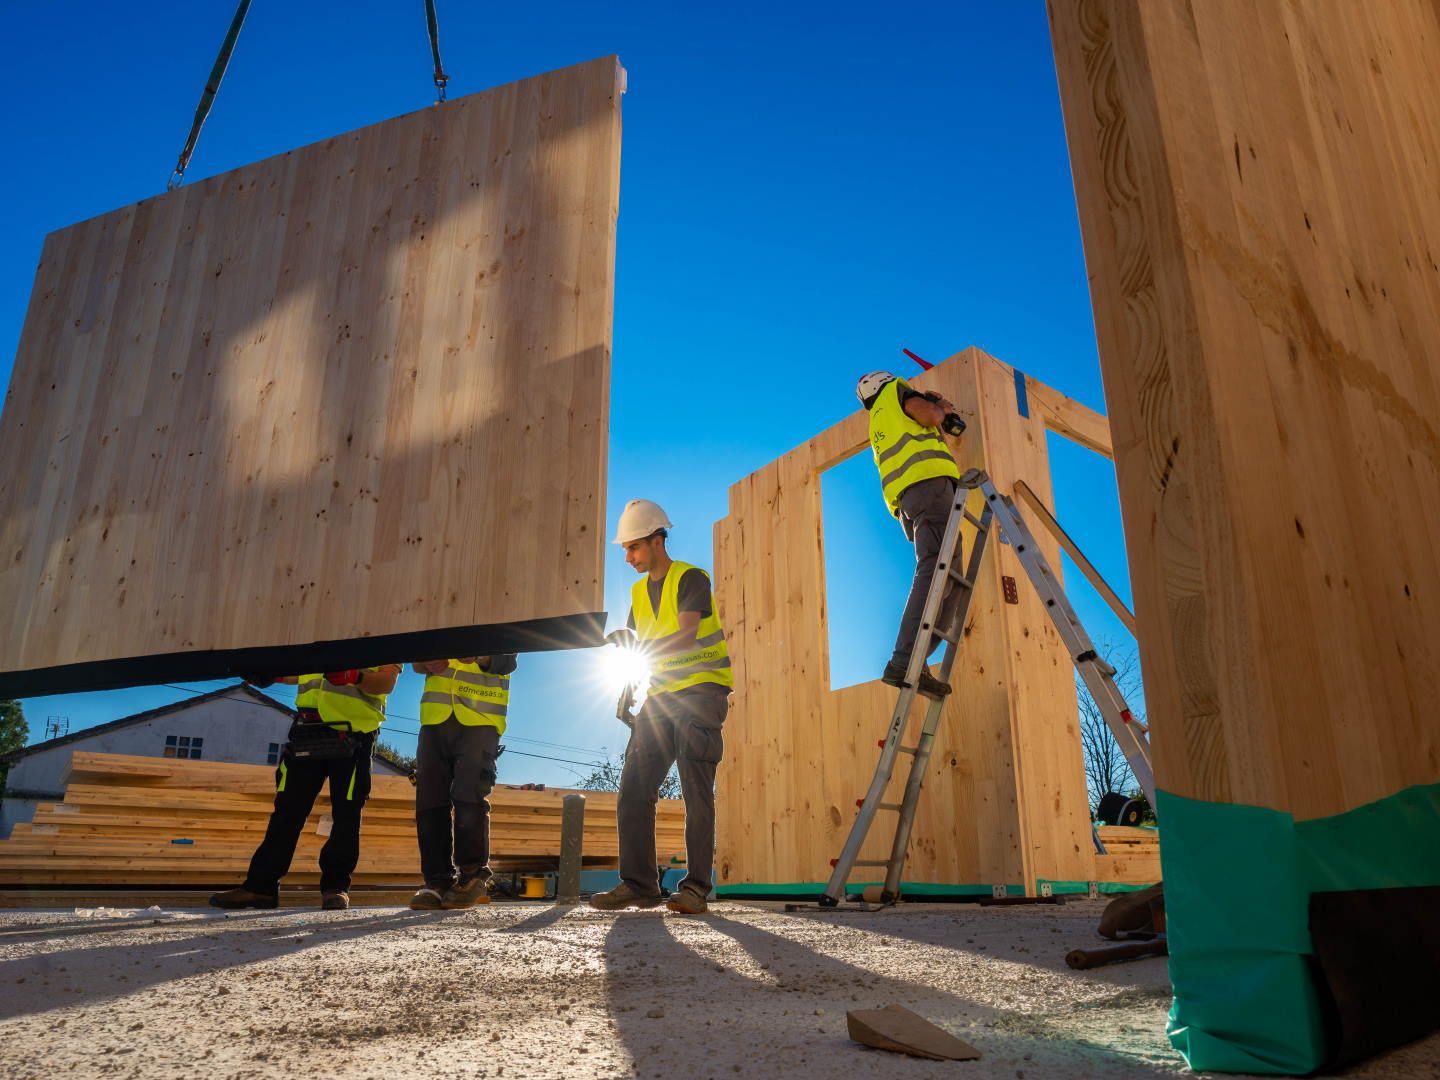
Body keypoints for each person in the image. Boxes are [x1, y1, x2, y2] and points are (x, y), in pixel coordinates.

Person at [590, 499, 732, 916]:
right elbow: (639, 650)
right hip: (660, 696)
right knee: (633, 788)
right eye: (625, 550)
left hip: (702, 694)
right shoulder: (638, 591)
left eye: (634, 547)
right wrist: (626, 688)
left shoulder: (691, 578)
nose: (629, 557)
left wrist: (638, 651)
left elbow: (686, 637)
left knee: (695, 791)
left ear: (657, 540)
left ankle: (695, 888)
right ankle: (639, 885)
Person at [211, 665, 402, 910]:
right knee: (287, 812)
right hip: (308, 729)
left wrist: (356, 676)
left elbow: (386, 682)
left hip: (354, 734)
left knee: (346, 814)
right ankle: (261, 888)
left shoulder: (380, 635)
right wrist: (276, 675)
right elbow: (304, 674)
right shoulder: (320, 636)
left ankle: (336, 887)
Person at [855, 370, 967, 699]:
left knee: (950, 576)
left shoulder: (879, 420)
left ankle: (916, 661)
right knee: (935, 569)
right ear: (886, 382)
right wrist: (940, 408)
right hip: (928, 486)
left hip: (911, 497)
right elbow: (930, 416)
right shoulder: (896, 394)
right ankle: (905, 660)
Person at [407, 655, 518, 910]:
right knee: (430, 800)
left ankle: (472, 874)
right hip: (435, 718)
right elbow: (416, 661)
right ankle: (436, 882)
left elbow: (507, 661)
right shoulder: (440, 616)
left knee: (469, 792)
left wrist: (480, 657)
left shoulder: (503, 618)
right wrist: (426, 663)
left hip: (480, 716)